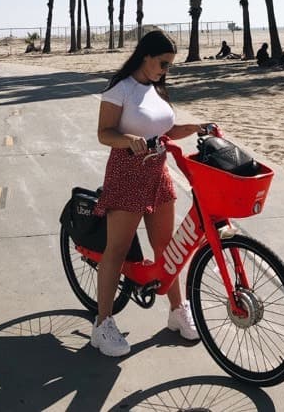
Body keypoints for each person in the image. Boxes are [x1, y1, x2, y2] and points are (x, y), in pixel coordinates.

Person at [91, 30, 204, 357]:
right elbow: (103, 133)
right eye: (164, 63)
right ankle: (102, 324)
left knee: (166, 247)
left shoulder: (157, 89)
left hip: (158, 173)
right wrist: (128, 140)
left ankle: (176, 309)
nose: (166, 70)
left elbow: (166, 131)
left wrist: (197, 127)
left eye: (169, 65)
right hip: (127, 173)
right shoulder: (121, 89)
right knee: (117, 250)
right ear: (146, 56)